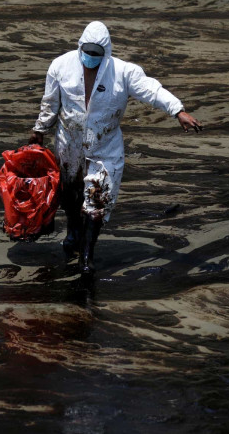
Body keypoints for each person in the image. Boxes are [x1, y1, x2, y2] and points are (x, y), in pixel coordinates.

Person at [29, 21, 201, 276]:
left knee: (97, 201)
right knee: (71, 195)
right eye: (86, 52)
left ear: (106, 53)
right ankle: (73, 235)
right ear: (79, 47)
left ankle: (86, 257)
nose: (90, 58)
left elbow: (151, 90)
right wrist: (39, 131)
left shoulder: (123, 72)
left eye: (96, 54)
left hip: (105, 147)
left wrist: (178, 110)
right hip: (69, 144)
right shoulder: (61, 65)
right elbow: (50, 102)